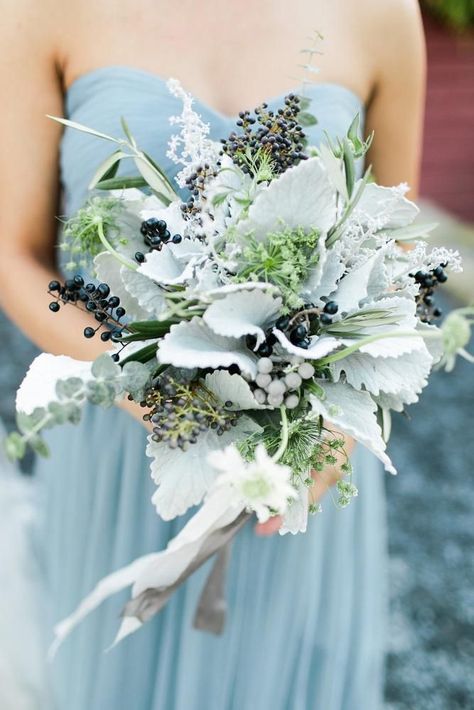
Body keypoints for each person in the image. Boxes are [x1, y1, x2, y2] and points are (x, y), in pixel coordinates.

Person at [0, 1, 426, 708]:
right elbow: (14, 254)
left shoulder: (380, 12)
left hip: (302, 448)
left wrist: (335, 432)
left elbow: (398, 248)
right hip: (128, 442)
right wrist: (146, 386)